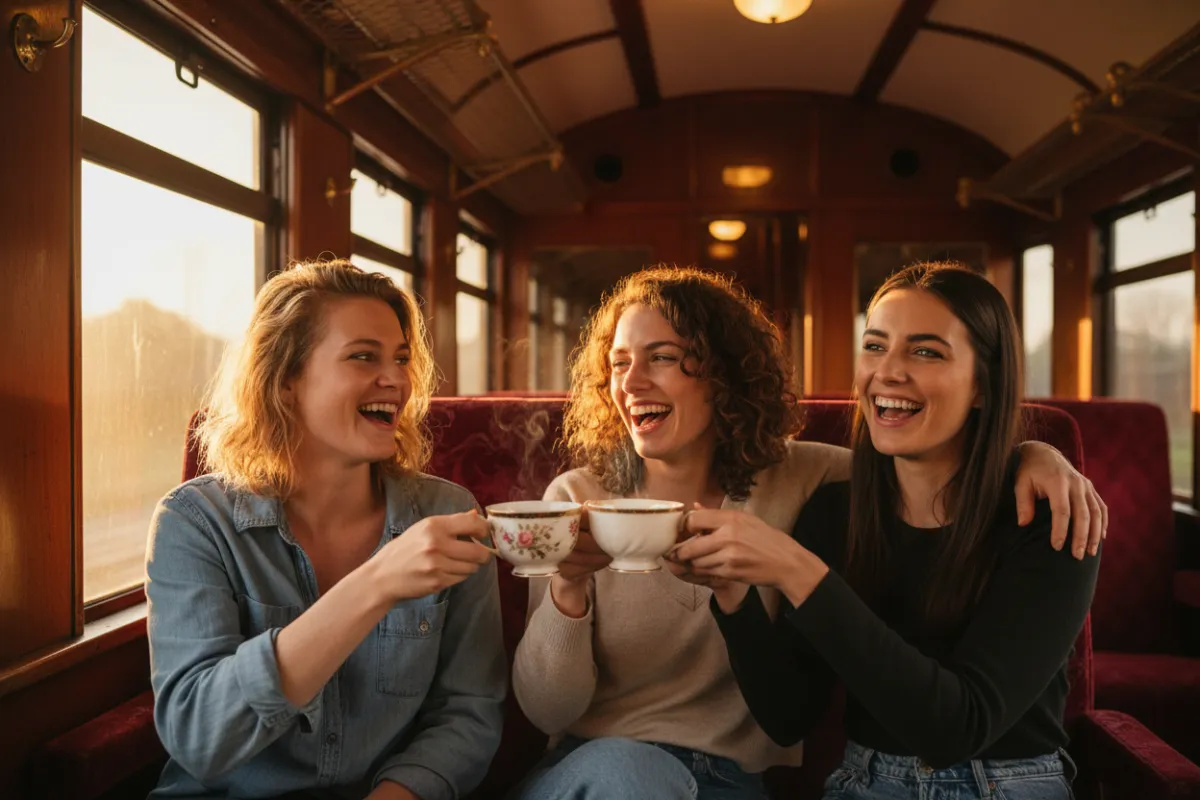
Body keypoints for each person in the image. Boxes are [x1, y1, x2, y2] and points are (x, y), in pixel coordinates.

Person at [510, 265, 1104, 800]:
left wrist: (1036, 452)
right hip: (609, 771)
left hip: (967, 782)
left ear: (724, 374)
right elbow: (548, 711)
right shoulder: (577, 502)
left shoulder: (813, 482)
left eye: (663, 357)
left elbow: (952, 722)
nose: (631, 381)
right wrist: (572, 590)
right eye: (875, 346)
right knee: (628, 777)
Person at [145, 260, 505, 800]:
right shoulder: (194, 523)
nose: (397, 379)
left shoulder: (447, 513)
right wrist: (375, 583)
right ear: (286, 380)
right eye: (363, 356)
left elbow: (468, 712)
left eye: (401, 358)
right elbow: (200, 736)